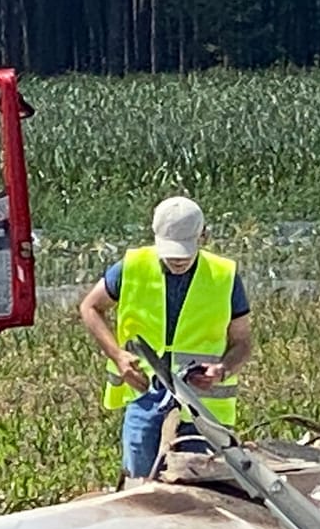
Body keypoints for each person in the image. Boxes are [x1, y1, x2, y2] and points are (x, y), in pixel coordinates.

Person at [81, 195, 253, 480]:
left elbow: (243, 341)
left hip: (203, 405)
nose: (177, 261)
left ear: (203, 236)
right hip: (146, 395)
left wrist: (222, 369)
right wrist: (118, 355)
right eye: (171, 253)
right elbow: (90, 307)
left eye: (184, 253)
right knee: (140, 483)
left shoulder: (224, 275)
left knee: (199, 489)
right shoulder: (132, 266)